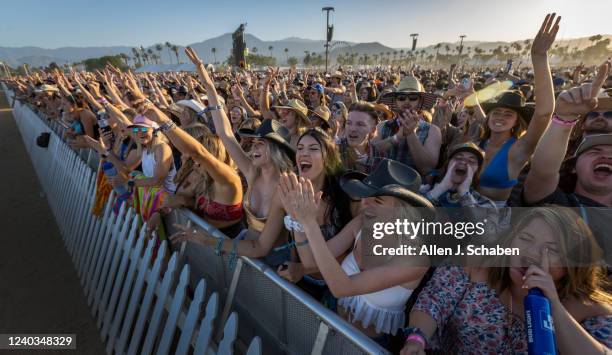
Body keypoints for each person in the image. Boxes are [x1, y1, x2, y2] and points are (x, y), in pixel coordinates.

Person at [400, 207, 612, 354]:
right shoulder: (476, 261)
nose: (531, 254)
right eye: (525, 239)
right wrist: (416, 339)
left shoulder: (592, 311)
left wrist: (553, 307)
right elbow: (434, 301)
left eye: (552, 250)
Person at [281, 159, 432, 348]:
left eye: (376, 199)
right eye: (365, 194)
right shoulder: (361, 222)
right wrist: (297, 220)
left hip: (365, 345)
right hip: (330, 316)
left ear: (402, 210)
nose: (364, 203)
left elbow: (341, 287)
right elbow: (311, 261)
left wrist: (309, 223)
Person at [523, 61, 612, 265]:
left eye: (609, 114)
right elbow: (542, 173)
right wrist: (565, 118)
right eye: (595, 151)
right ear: (573, 166)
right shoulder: (560, 206)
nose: (606, 157)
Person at [472, 14, 560, 205]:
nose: (500, 117)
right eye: (496, 112)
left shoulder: (519, 149)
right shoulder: (479, 142)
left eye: (508, 114)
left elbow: (544, 113)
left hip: (489, 224)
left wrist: (539, 57)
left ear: (516, 121)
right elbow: (478, 114)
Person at [370, 75, 442, 176]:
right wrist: (397, 137)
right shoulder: (382, 127)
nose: (407, 101)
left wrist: (410, 133)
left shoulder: (432, 131)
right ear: (396, 101)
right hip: (382, 186)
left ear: (419, 101)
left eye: (413, 98)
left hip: (414, 190)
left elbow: (427, 169)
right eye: (401, 97)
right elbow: (369, 154)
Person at [338, 102, 379, 173]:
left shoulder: (379, 156)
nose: (352, 129)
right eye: (349, 123)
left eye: (360, 124)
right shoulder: (333, 151)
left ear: (372, 130)